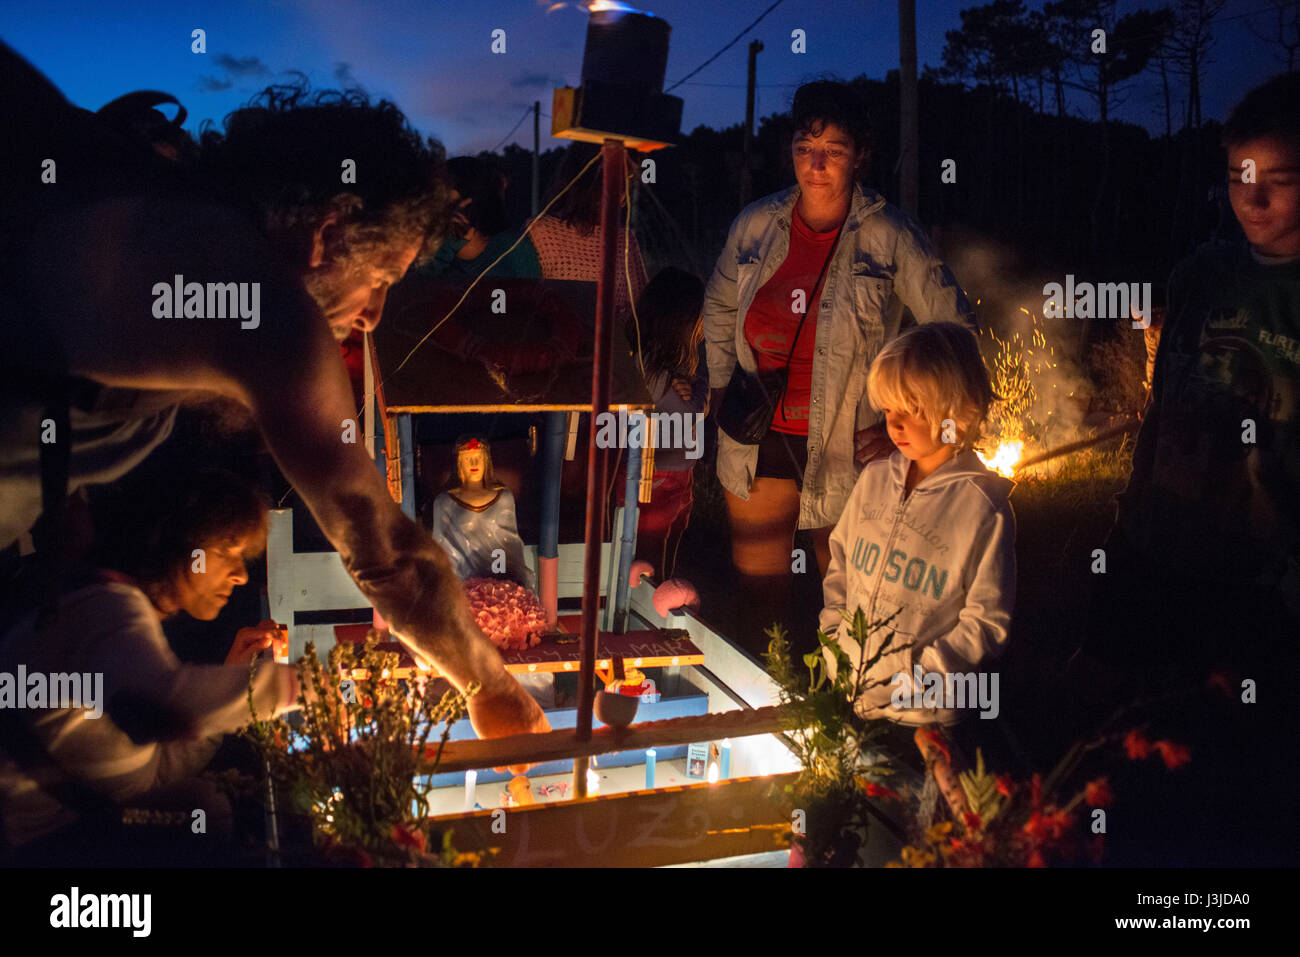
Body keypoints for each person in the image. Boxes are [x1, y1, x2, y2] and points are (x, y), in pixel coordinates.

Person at [0, 43, 549, 759]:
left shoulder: (147, 200)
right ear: (327, 233)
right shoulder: (269, 311)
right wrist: (495, 691)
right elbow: (389, 557)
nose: (377, 311)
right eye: (382, 274)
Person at [1079, 73, 1300, 865]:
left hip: (1257, 576)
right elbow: (1160, 408)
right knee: (1137, 741)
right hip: (1159, 542)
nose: (1255, 198)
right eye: (1242, 176)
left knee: (1237, 764)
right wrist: (1125, 524)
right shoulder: (1202, 277)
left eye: (1280, 181)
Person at [703, 79, 977, 651]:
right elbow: (721, 302)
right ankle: (769, 699)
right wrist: (720, 382)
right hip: (760, 432)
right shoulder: (757, 225)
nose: (817, 164)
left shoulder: (889, 235)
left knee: (853, 595)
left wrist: (913, 418)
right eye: (805, 148)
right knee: (761, 596)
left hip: (850, 441)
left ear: (861, 156)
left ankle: (853, 705)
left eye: (834, 150)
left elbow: (953, 328)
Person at [0, 469, 298, 862]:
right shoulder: (105, 606)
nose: (241, 575)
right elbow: (162, 708)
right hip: (37, 848)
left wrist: (237, 675)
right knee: (209, 816)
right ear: (176, 543)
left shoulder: (113, 607)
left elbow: (151, 772)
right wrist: (309, 686)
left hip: (61, 834)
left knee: (208, 808)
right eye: (227, 553)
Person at [819, 323, 1014, 727]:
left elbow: (986, 620)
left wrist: (920, 680)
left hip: (922, 716)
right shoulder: (873, 479)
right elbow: (840, 564)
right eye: (889, 409)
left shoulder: (982, 508)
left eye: (912, 409)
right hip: (849, 693)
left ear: (960, 411)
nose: (895, 424)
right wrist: (835, 640)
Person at [615, 267, 708, 580]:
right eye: (702, 314)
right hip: (655, 477)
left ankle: (657, 607)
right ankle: (650, 616)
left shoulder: (662, 364)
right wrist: (699, 393)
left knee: (657, 552)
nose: (706, 324)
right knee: (651, 560)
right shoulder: (657, 371)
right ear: (680, 319)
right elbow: (691, 416)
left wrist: (697, 389)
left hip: (673, 475)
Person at [529, 141, 649, 328]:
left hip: (614, 348)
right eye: (620, 182)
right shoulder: (542, 233)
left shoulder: (623, 240)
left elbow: (640, 306)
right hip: (555, 345)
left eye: (628, 182)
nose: (624, 195)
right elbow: (524, 300)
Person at [431, 437, 535, 591]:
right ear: (459, 464)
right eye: (468, 459)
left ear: (486, 461)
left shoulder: (503, 498)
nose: (474, 464)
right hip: (461, 583)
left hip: (498, 577)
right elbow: (443, 548)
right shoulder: (444, 502)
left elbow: (509, 545)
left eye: (478, 458)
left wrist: (506, 579)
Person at [420, 156, 541, 281]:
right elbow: (414, 289)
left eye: (443, 199)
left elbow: (533, 296)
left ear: (468, 203)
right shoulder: (429, 249)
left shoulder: (514, 249)